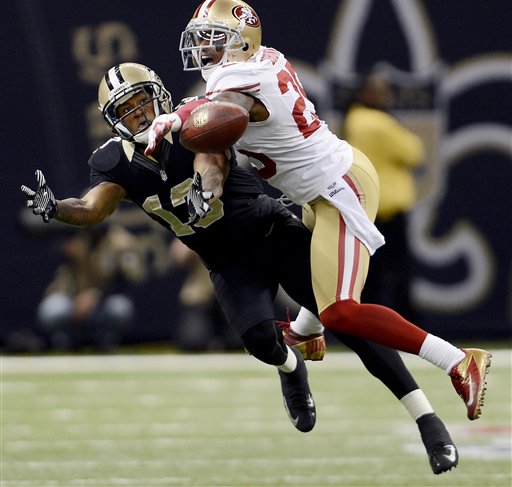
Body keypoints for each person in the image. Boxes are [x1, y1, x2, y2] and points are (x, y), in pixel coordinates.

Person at [22, 62, 458, 474]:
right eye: (125, 108)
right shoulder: (112, 161)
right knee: (258, 341)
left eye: (140, 101)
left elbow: (210, 164)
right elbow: (92, 208)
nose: (137, 113)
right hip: (228, 263)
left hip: (272, 233)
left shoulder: (195, 123)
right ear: (112, 118)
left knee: (348, 321)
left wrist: (205, 193)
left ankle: (428, 421)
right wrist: (56, 208)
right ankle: (292, 368)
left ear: (158, 94)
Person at [145, 0, 491, 427]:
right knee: (315, 278)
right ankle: (306, 335)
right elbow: (223, 114)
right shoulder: (259, 62)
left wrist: (178, 117)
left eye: (215, 39)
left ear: (243, 43)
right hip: (323, 186)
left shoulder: (240, 77)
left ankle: (458, 360)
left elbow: (226, 108)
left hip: (338, 187)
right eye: (201, 39)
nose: (204, 50)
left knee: (341, 310)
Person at [343, 69, 425, 318]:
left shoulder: (355, 120)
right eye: (380, 91)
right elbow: (414, 152)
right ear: (366, 93)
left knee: (371, 275)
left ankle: (367, 326)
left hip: (370, 207)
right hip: (386, 211)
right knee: (395, 274)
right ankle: (408, 327)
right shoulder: (376, 123)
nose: (386, 96)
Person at [36, 223, 141, 351]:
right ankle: (66, 340)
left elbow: (130, 280)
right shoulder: (76, 236)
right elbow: (62, 275)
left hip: (104, 303)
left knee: (120, 308)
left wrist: (97, 295)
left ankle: (106, 339)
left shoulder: (121, 242)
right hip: (73, 299)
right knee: (52, 309)